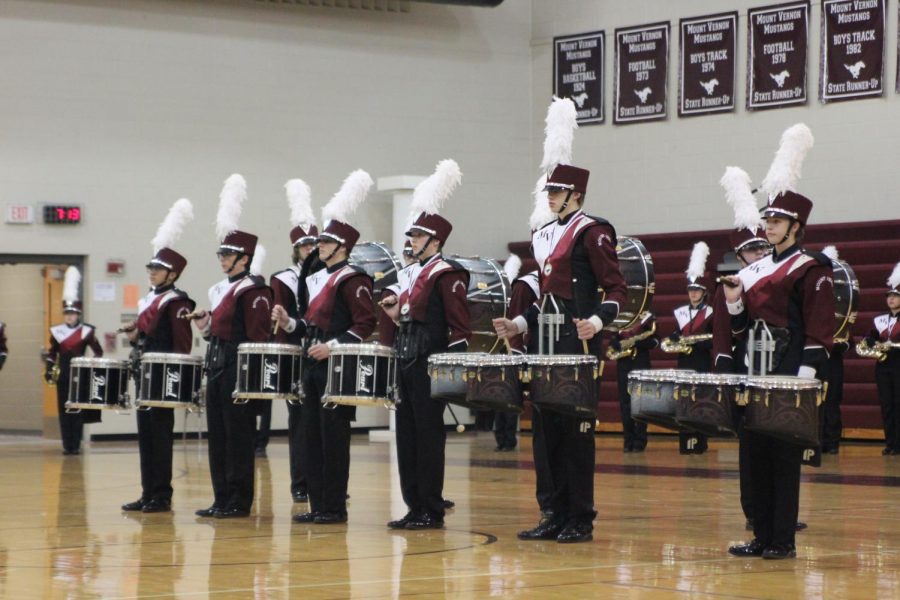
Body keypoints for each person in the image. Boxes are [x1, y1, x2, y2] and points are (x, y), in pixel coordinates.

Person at [494, 163, 627, 543]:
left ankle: (580, 516)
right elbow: (548, 301)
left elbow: (617, 289)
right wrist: (518, 325)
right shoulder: (545, 234)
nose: (550, 197)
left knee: (574, 434)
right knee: (545, 433)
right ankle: (551, 512)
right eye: (548, 191)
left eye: (557, 191)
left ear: (577, 196)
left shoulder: (593, 232)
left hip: (578, 345)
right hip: (544, 347)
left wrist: (598, 323)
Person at [724, 184, 834, 560]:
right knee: (754, 453)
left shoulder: (811, 266)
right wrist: (734, 303)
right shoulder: (754, 270)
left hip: (789, 369)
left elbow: (820, 324)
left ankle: (782, 540)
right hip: (754, 367)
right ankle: (761, 534)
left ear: (795, 225)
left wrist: (804, 376)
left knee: (783, 457)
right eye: (767, 219)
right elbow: (741, 329)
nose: (768, 226)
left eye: (776, 220)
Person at [275, 169, 376, 524]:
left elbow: (366, 324)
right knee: (311, 437)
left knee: (333, 440)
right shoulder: (320, 278)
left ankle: (334, 506)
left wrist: (333, 346)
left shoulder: (353, 279)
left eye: (326, 243)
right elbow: (310, 322)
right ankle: (317, 504)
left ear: (342, 247)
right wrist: (289, 323)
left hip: (336, 366)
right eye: (320, 242)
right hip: (313, 362)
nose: (319, 247)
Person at [380, 159, 471, 531]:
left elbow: (460, 328)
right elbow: (405, 318)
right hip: (406, 360)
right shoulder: (410, 273)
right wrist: (392, 312)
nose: (411, 241)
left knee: (429, 439)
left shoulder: (447, 273)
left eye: (418, 237)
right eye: (412, 236)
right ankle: (413, 504)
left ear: (435, 241)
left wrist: (450, 374)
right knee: (407, 436)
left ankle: (431, 507)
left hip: (430, 364)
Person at [194, 174, 273, 519]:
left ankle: (239, 500)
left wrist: (252, 383)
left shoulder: (254, 290)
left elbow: (257, 337)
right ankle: (221, 497)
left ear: (244, 258)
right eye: (221, 253)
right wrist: (205, 328)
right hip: (218, 364)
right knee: (219, 437)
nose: (222, 259)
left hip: (239, 370)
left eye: (228, 255)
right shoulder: (220, 289)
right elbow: (220, 333)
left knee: (238, 438)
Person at [121, 240, 195, 513]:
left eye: (158, 269)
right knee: (146, 435)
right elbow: (147, 339)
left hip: (163, 377)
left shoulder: (177, 301)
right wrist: (134, 337)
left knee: (161, 436)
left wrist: (176, 380)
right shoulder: (150, 299)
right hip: (145, 374)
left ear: (172, 274)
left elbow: (182, 344)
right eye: (151, 267)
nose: (152, 272)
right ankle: (147, 492)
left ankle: (161, 495)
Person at [271, 221, 318, 500]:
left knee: (324, 421)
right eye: (304, 246)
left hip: (322, 353)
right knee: (299, 422)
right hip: (295, 354)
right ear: (296, 250)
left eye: (313, 244)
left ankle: (322, 480)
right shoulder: (284, 278)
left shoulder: (328, 276)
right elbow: (280, 320)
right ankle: (300, 483)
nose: (310, 249)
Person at [45, 266, 103, 455]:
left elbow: (98, 352)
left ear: (78, 314)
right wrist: (49, 367)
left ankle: (76, 445)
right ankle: (67, 445)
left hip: (80, 376)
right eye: (67, 314)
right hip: (63, 376)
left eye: (73, 314)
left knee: (77, 411)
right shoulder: (57, 331)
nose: (69, 316)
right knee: (63, 411)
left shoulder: (87, 331)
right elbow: (53, 352)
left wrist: (93, 368)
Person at [668, 242, 713, 454]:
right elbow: (676, 335)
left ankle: (700, 442)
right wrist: (676, 338)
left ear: (703, 292)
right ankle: (686, 442)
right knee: (684, 402)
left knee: (700, 403)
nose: (693, 293)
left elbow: (715, 339)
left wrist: (702, 343)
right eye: (691, 290)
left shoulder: (711, 312)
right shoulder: (680, 313)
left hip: (701, 362)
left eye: (697, 290)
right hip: (684, 362)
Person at [610, 311, 658, 452]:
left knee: (641, 402)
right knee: (625, 403)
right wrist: (615, 342)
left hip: (640, 364)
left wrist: (637, 343)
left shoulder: (648, 317)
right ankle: (628, 439)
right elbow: (615, 336)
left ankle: (640, 440)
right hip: (624, 364)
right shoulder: (621, 316)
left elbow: (655, 341)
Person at [866, 263, 900, 455]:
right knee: (886, 404)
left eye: (895, 296)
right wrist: (870, 344)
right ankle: (890, 443)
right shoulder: (879, 320)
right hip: (883, 366)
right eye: (889, 296)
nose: (891, 299)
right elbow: (869, 338)